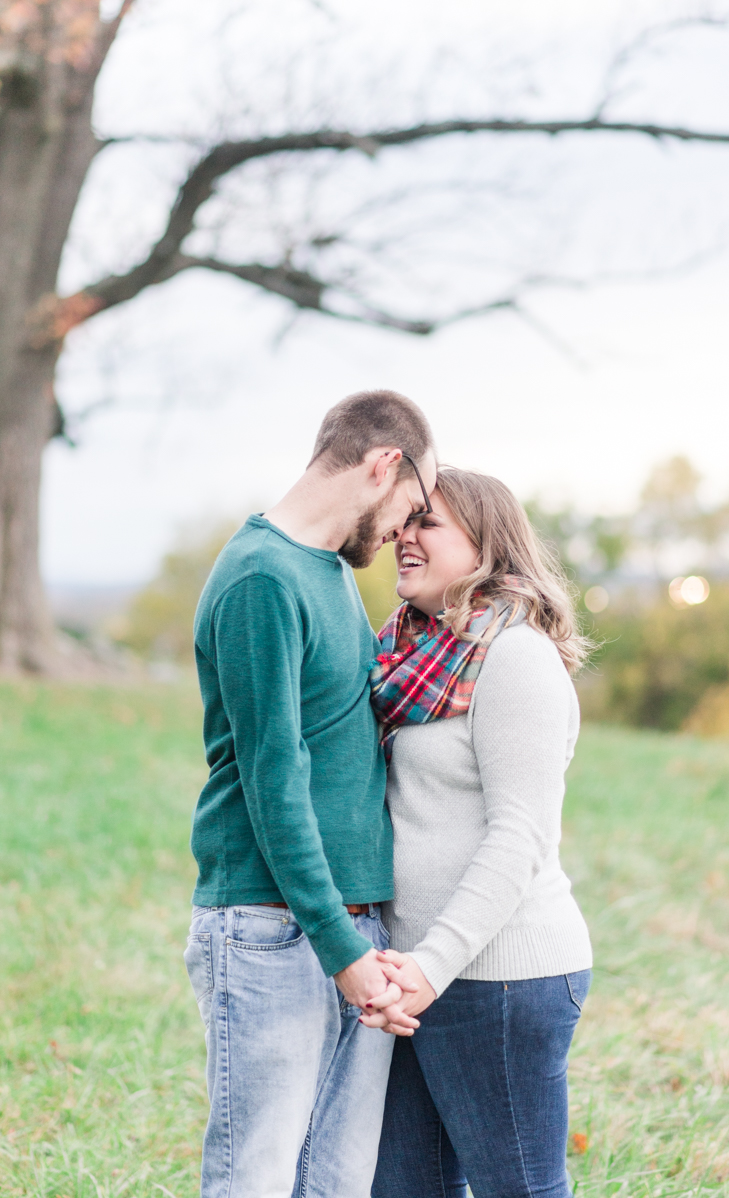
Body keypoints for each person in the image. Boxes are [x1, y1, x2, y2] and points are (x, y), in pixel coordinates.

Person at [184, 389, 436, 1198]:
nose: (407, 529)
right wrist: (340, 948)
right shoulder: (262, 577)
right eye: (413, 506)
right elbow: (272, 777)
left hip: (350, 925)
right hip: (273, 927)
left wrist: (362, 938)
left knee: (335, 1185)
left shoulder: (327, 573)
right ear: (382, 465)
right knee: (254, 1180)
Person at [363, 466, 593, 1198]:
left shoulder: (514, 657)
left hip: (496, 976)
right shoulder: (409, 653)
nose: (404, 535)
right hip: (410, 976)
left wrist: (432, 965)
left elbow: (519, 837)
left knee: (516, 1188)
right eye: (403, 521)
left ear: (486, 544)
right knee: (404, 1188)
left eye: (427, 522)